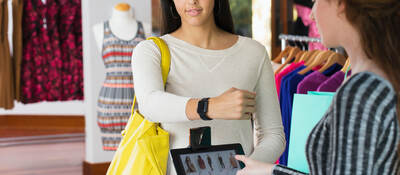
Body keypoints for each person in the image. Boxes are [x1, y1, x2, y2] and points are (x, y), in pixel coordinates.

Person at [235, 0, 400, 174]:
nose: (312, 14)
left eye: (316, 1)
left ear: (340, 4)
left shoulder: (360, 91)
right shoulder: (375, 79)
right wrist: (271, 170)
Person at [132, 0, 285, 174]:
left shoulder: (254, 52)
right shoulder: (151, 50)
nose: (192, 1)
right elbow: (149, 105)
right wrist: (209, 107)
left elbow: (273, 135)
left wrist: (245, 170)